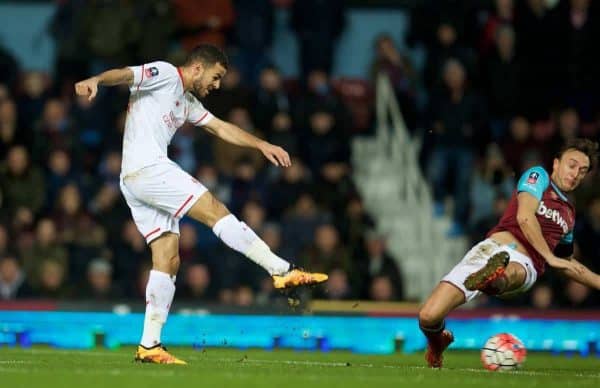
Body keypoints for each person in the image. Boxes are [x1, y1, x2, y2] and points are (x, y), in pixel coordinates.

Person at [74, 44, 328, 365]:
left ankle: (149, 345)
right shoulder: (166, 74)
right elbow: (126, 74)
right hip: (149, 169)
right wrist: (96, 80)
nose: (217, 85)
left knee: (167, 258)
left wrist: (261, 144)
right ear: (197, 67)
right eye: (216, 76)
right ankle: (281, 270)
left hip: (135, 177)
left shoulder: (187, 102)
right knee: (215, 210)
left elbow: (220, 127)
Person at [418, 138, 599, 368]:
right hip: (491, 248)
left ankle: (494, 277)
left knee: (510, 271)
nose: (576, 174)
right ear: (556, 163)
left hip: (527, 263)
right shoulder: (539, 177)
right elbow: (525, 217)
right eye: (572, 165)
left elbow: (568, 263)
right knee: (428, 316)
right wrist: (550, 256)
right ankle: (437, 342)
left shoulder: (569, 215)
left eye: (582, 172)